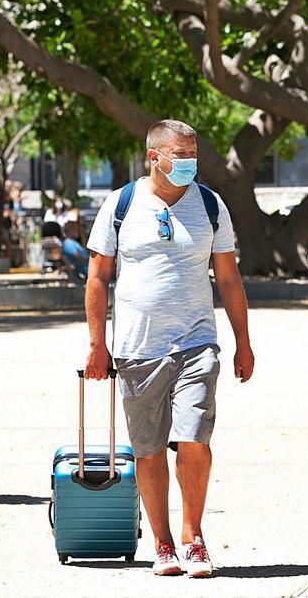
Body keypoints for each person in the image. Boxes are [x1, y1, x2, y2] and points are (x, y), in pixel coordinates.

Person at [84, 119, 254, 578]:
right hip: (138, 347)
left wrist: (243, 342)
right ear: (153, 157)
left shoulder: (210, 205)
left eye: (193, 157)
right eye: (180, 157)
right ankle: (162, 544)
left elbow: (229, 278)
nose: (189, 165)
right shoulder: (121, 205)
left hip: (198, 342)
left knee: (195, 438)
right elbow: (97, 277)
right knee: (149, 450)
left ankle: (193, 537)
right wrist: (97, 345)